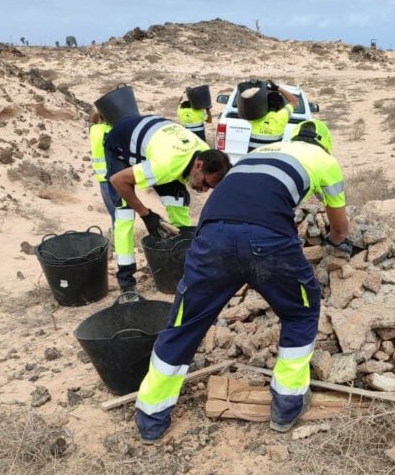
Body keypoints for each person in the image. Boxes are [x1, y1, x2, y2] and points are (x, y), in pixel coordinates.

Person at [134, 119, 351, 444]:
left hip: (211, 240)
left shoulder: (258, 153)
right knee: (301, 310)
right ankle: (287, 405)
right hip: (269, 241)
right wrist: (335, 243)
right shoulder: (325, 161)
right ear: (325, 144)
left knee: (184, 322)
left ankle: (151, 417)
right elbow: (340, 229)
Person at [106, 114, 231, 292]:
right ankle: (126, 281)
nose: (204, 190)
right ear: (198, 166)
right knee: (125, 210)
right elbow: (118, 180)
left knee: (178, 201)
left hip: (159, 141)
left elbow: (185, 174)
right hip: (121, 143)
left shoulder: (204, 151)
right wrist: (145, 214)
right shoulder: (165, 165)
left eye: (210, 188)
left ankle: (183, 261)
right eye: (205, 183)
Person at [243, 80, 298, 152]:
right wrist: (278, 88)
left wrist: (259, 90)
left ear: (264, 104)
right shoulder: (282, 116)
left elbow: (247, 100)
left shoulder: (256, 115)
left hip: (252, 160)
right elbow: (294, 101)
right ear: (281, 105)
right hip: (271, 161)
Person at [88, 111, 115, 224]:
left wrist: (98, 112)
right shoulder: (112, 130)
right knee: (123, 215)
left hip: (102, 179)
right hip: (115, 178)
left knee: (114, 215)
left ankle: (116, 239)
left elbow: (92, 122)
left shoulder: (94, 130)